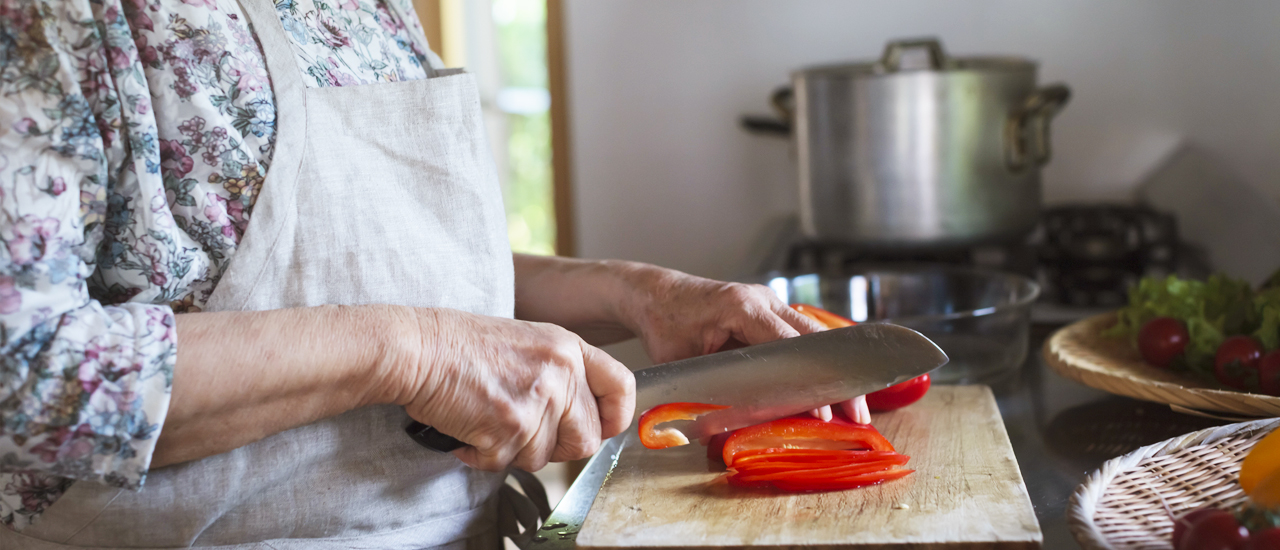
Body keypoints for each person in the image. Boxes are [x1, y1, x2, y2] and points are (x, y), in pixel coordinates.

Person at [0, 0, 868, 547]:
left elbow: (414, 258)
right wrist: (415, 355)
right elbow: (24, 375)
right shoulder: (53, 22)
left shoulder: (367, 12)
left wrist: (639, 293)